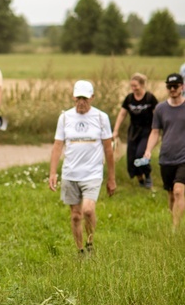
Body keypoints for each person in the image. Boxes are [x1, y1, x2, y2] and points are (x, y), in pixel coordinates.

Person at [49, 80, 116, 255]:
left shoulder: (101, 118)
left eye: (85, 98)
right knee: (76, 215)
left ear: (92, 98)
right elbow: (57, 146)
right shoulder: (65, 118)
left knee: (87, 210)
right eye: (78, 98)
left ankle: (90, 242)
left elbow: (108, 150)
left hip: (92, 173)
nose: (81, 102)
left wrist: (111, 178)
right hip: (70, 173)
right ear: (73, 97)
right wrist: (52, 173)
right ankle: (80, 250)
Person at [143, 73, 185, 229]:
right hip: (167, 156)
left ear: (182, 87)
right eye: (169, 86)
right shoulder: (160, 109)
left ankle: (176, 228)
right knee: (171, 195)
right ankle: (174, 219)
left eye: (175, 86)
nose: (172, 89)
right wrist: (148, 151)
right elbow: (155, 132)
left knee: (179, 190)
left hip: (183, 157)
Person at [111, 73, 159, 188]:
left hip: (147, 131)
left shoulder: (149, 98)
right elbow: (122, 114)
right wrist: (116, 130)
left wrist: (158, 130)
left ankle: (147, 175)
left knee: (140, 155)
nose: (133, 88)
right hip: (133, 131)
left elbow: (157, 115)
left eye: (135, 86)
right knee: (131, 159)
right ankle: (141, 181)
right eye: (131, 86)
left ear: (142, 85)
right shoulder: (129, 98)